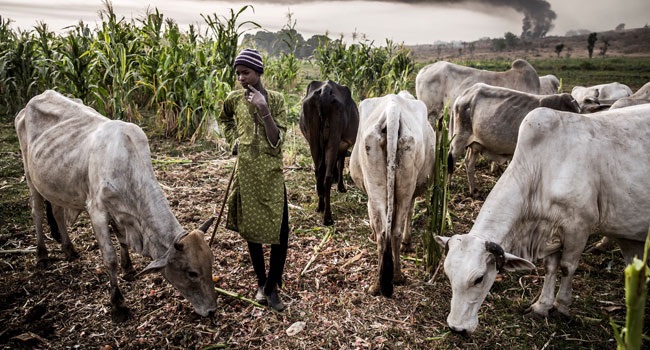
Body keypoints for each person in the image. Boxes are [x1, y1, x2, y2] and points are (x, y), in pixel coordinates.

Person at [218, 48, 289, 311]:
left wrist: (264, 109)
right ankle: (263, 284)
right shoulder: (234, 99)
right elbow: (224, 119)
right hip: (246, 172)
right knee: (252, 232)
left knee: (281, 232)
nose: (241, 78)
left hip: (271, 173)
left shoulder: (278, 100)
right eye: (238, 74)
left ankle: (272, 287)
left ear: (258, 72)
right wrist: (232, 140)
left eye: (245, 72)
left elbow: (276, 141)